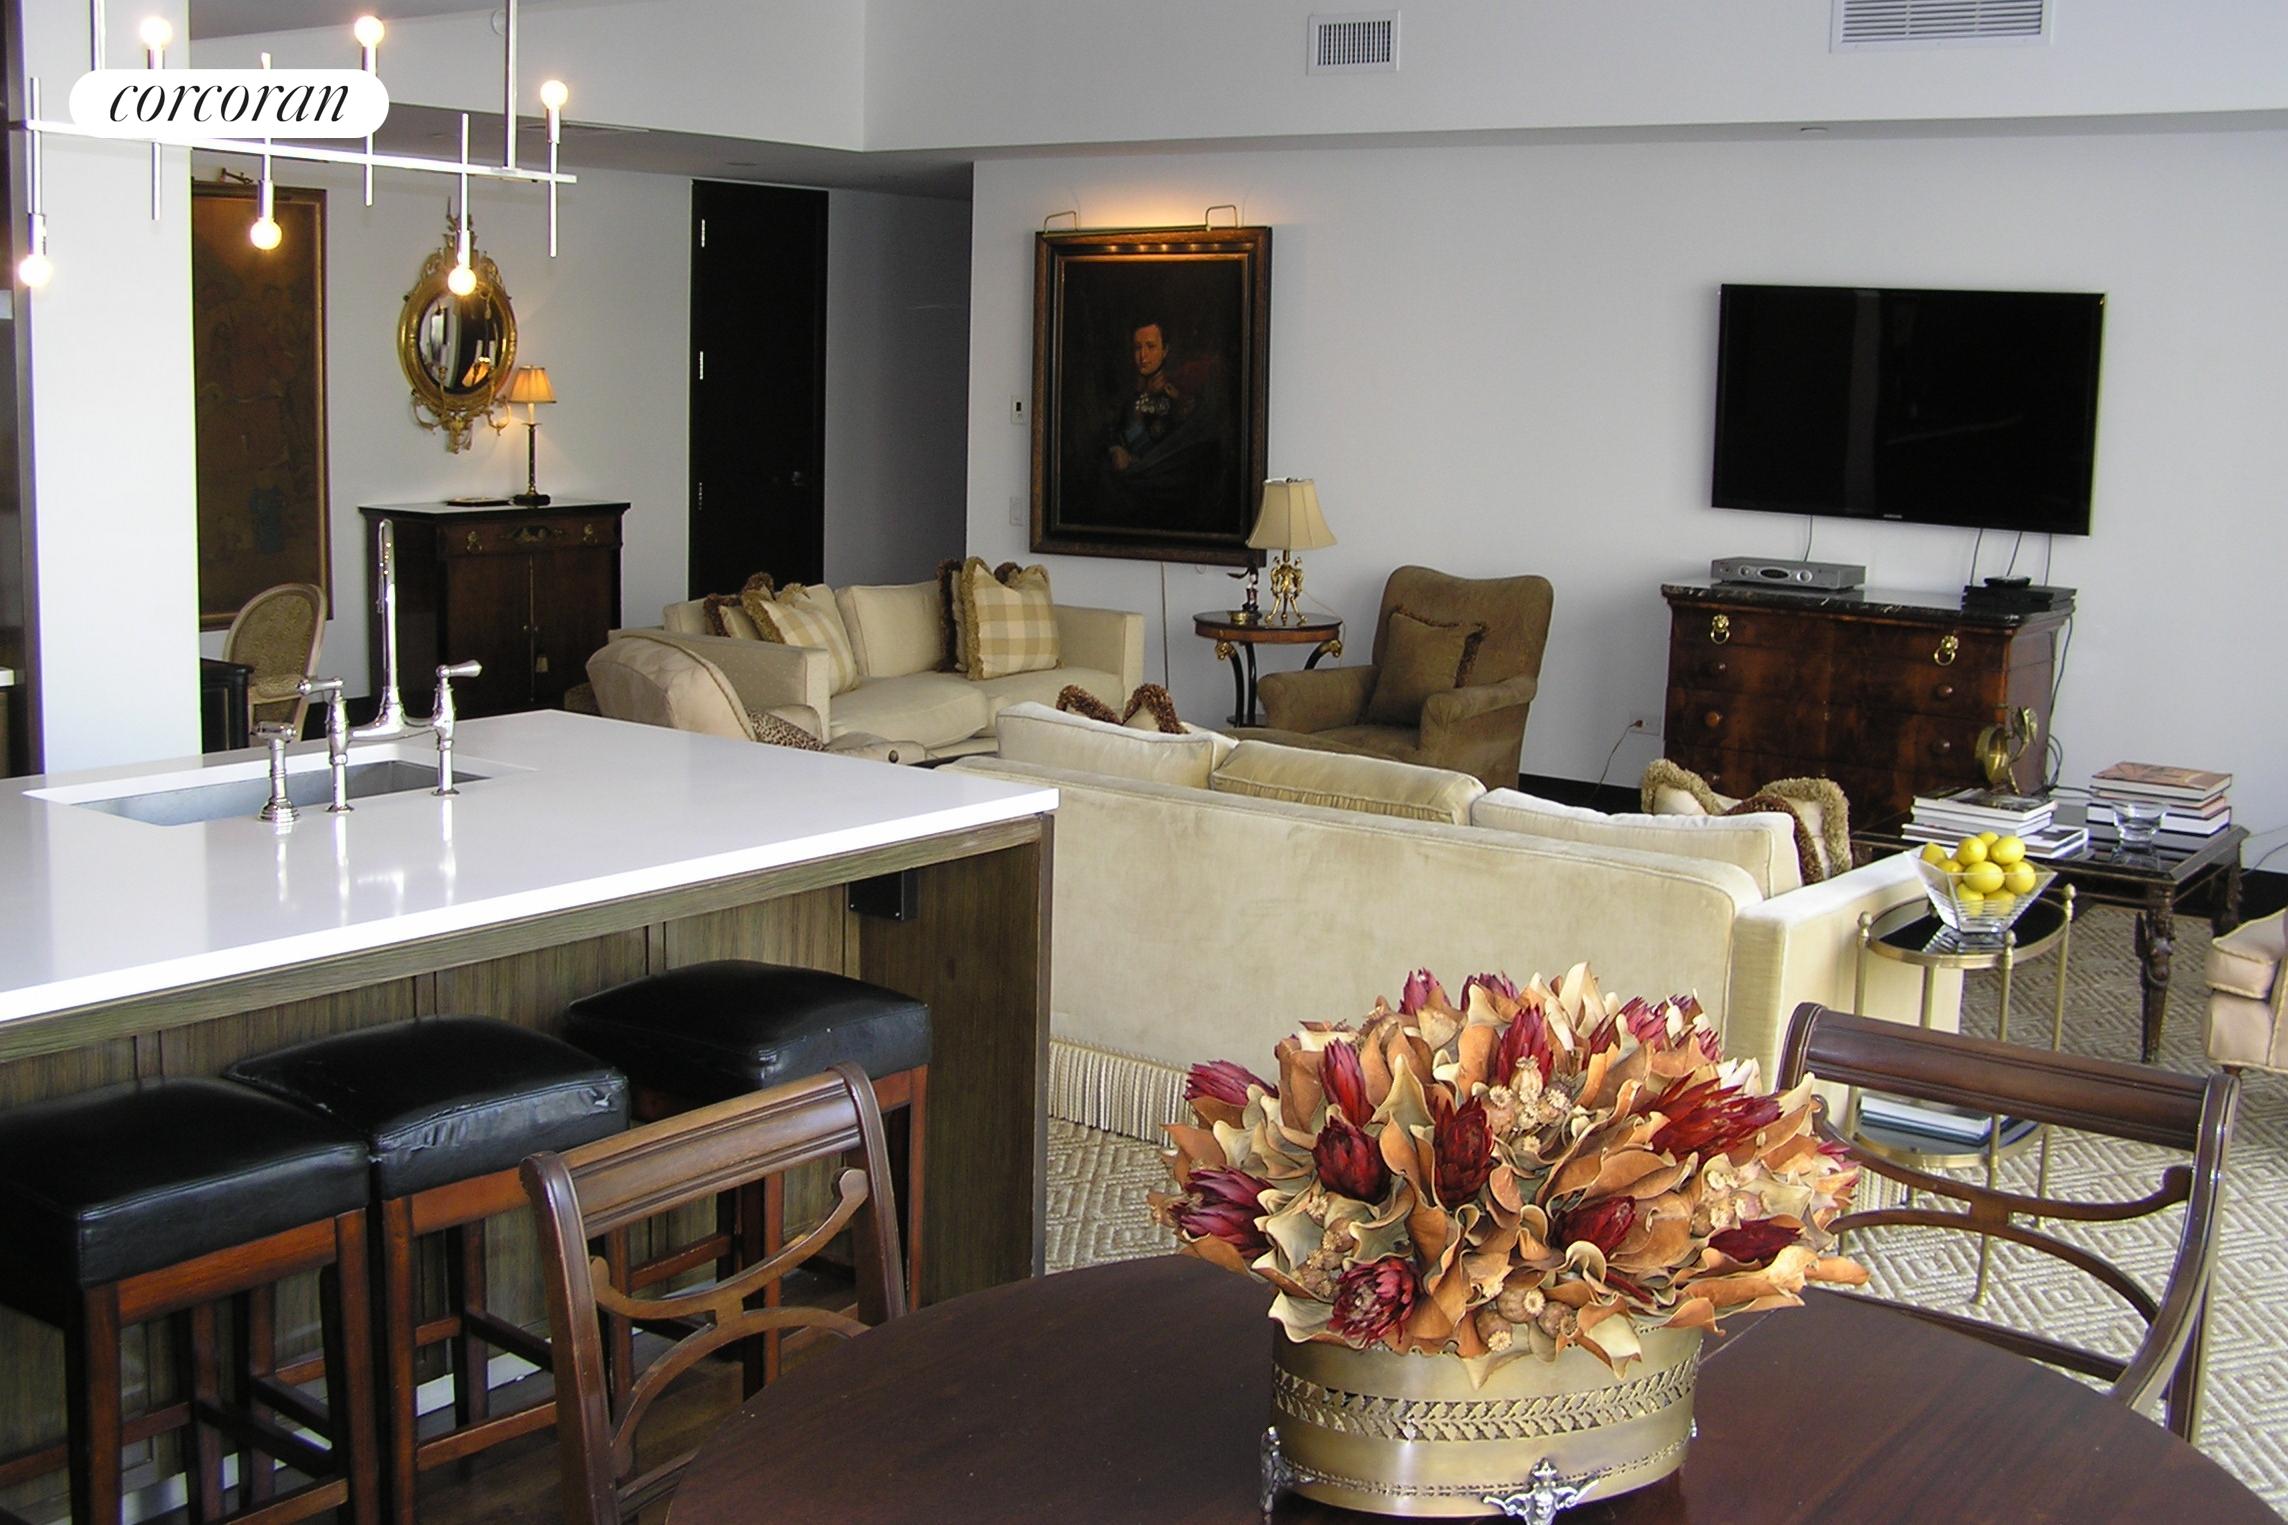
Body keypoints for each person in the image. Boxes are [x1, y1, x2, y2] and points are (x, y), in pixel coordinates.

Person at [1094, 318, 1225, 529]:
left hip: (1169, 505)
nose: (1143, 356)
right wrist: (1115, 448)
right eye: (1138, 348)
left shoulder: (1181, 399)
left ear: (1165, 351)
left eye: (1151, 346)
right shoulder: (1125, 398)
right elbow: (1109, 434)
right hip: (1125, 505)